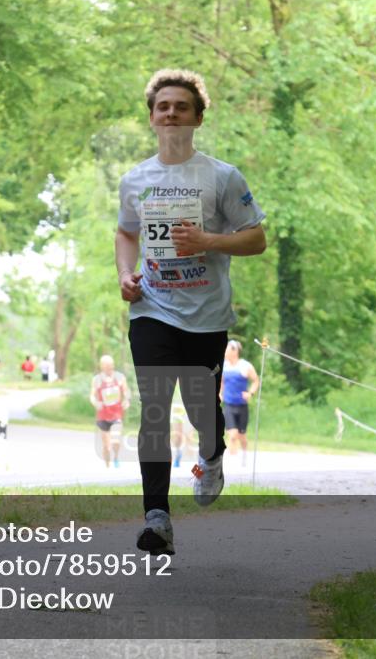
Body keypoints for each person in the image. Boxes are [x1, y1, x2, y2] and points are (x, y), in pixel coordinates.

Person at [116, 69, 266, 556]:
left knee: (203, 411)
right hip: (151, 310)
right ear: (152, 118)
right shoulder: (135, 179)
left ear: (198, 118)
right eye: (163, 107)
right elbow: (126, 233)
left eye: (182, 106)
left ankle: (211, 456)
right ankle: (156, 518)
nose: (172, 113)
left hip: (206, 314)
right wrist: (125, 274)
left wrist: (208, 241)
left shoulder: (222, 177)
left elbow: (256, 238)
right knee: (155, 408)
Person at [220, 340, 260, 467]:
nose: (224, 352)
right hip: (228, 404)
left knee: (242, 435)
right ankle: (231, 461)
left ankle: (244, 454)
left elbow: (256, 381)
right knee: (232, 434)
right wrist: (220, 394)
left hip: (242, 405)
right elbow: (221, 381)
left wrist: (250, 393)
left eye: (227, 349)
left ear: (235, 351)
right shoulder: (223, 365)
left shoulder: (245, 366)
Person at [90, 355, 131, 469]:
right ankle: (107, 465)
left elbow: (126, 391)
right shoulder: (97, 380)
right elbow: (92, 396)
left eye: (112, 365)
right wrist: (96, 403)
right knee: (106, 446)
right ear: (102, 366)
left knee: (116, 441)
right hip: (102, 416)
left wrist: (127, 400)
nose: (110, 367)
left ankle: (116, 457)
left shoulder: (119, 377)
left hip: (116, 415)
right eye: (107, 365)